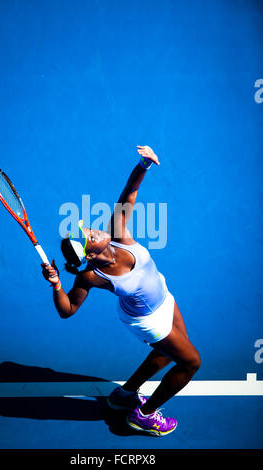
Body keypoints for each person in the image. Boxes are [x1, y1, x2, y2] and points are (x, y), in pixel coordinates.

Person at [41, 145, 201, 436]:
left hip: (164, 298)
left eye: (87, 228)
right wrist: (56, 285)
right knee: (191, 362)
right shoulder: (91, 276)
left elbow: (129, 191)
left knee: (168, 355)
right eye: (89, 236)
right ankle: (145, 415)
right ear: (89, 254)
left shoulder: (118, 234)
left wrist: (144, 164)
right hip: (145, 319)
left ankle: (124, 395)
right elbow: (67, 311)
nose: (93, 230)